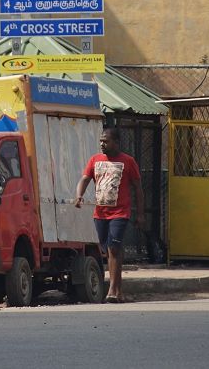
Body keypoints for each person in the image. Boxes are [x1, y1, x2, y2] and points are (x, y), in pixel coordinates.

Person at [75, 126, 144, 304]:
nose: (102, 144)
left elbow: (138, 188)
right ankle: (119, 291)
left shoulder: (128, 161)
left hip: (120, 212)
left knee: (113, 248)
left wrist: (140, 214)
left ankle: (112, 290)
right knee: (109, 250)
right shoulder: (95, 160)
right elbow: (84, 179)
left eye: (106, 141)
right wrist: (79, 195)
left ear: (117, 142)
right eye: (101, 141)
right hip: (100, 213)